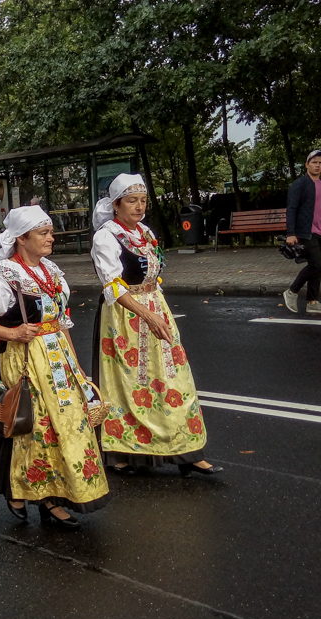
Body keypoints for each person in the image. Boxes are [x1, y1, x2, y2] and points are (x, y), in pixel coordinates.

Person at [0, 206, 110, 528]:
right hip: (25, 360)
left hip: (58, 359)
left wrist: (77, 367)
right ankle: (35, 493)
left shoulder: (52, 272)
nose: (51, 238)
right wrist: (11, 332)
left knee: (69, 424)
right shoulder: (3, 276)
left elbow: (61, 321)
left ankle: (53, 495)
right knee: (33, 426)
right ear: (21, 238)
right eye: (44, 233)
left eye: (49, 232)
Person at [89, 174, 221, 478]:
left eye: (143, 200)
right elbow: (112, 286)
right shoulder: (106, 237)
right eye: (132, 200)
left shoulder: (145, 232)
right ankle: (122, 450)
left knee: (173, 380)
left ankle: (186, 451)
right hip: (123, 317)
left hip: (153, 308)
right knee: (128, 384)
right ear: (116, 204)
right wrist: (146, 315)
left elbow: (154, 276)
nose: (139, 206)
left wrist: (158, 310)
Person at [284, 150, 321, 315]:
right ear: (307, 164)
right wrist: (291, 233)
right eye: (314, 162)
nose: (318, 165)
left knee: (317, 267)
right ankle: (292, 292)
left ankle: (312, 302)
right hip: (306, 232)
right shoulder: (299, 184)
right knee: (316, 264)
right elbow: (291, 209)